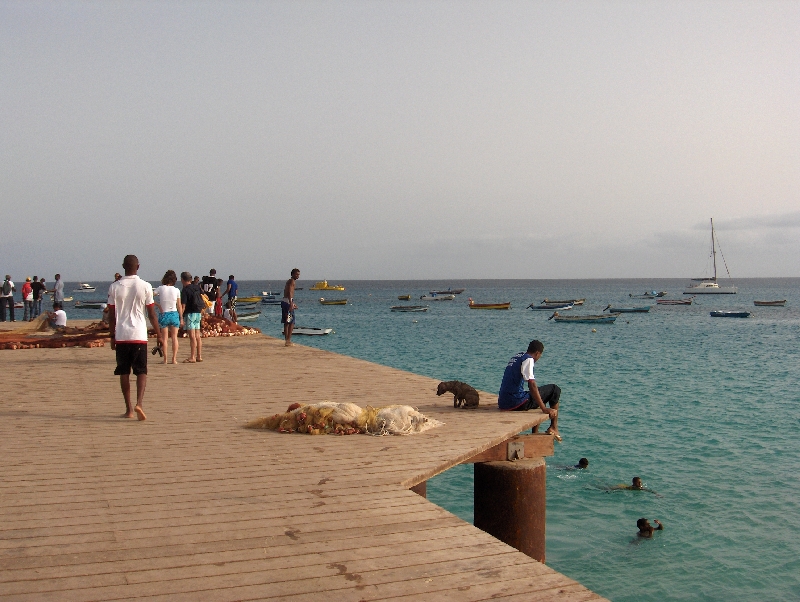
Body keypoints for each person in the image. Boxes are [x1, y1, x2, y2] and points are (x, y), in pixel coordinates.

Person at [107, 255, 161, 421]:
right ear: (138, 266)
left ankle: (129, 409)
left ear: (123, 266)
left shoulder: (115, 287)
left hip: (122, 334)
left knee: (124, 371)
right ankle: (139, 403)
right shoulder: (145, 286)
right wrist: (158, 334)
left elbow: (111, 315)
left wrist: (112, 335)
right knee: (141, 371)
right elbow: (151, 314)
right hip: (138, 334)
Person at [498, 340, 562, 441]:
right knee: (554, 390)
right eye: (539, 356)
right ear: (537, 353)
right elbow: (531, 384)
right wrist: (544, 409)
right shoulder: (528, 359)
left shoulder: (517, 356)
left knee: (541, 395)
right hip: (515, 402)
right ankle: (553, 427)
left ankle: (535, 433)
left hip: (503, 402)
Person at [155, 270, 183, 364]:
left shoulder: (160, 288)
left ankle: (165, 359)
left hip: (164, 314)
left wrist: (158, 305)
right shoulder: (176, 290)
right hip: (174, 314)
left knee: (165, 338)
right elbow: (179, 305)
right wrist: (181, 317)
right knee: (174, 337)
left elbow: (149, 296)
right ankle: (174, 359)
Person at [180, 271, 203, 363]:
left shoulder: (185, 290)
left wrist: (181, 316)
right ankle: (199, 356)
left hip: (190, 313)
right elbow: (203, 296)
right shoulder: (197, 287)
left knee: (192, 336)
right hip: (198, 313)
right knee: (198, 336)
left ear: (182, 280)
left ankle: (192, 357)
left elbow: (183, 305)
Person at [282, 268, 300, 346]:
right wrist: (291, 303)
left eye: (298, 274)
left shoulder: (289, 281)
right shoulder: (292, 281)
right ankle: (288, 340)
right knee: (291, 322)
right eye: (296, 274)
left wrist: (292, 302)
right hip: (288, 303)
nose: (298, 276)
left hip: (285, 302)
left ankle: (287, 340)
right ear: (292, 274)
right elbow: (289, 291)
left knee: (287, 321)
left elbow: (287, 292)